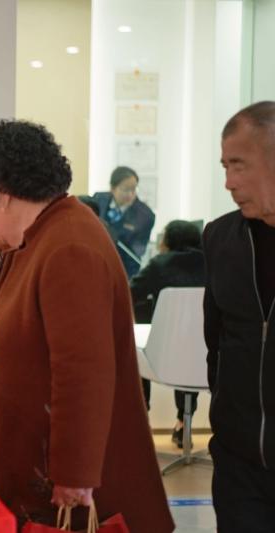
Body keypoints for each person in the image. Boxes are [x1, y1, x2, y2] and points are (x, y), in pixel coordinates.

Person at [0, 119, 173, 531]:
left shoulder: (70, 246)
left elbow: (83, 370)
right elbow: (3, 348)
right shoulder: (33, 240)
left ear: (2, 195)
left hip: (70, 484)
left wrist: (75, 473)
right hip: (34, 464)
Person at [204, 100, 275, 531]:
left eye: (239, 165)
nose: (229, 181)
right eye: (224, 166)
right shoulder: (220, 238)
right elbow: (216, 343)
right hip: (239, 466)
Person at [130, 220, 204, 448]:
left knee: (136, 350)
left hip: (164, 357)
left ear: (169, 241)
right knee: (191, 350)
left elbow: (130, 292)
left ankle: (142, 420)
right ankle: (183, 422)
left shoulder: (160, 264)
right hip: (205, 359)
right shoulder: (213, 263)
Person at [93, 166, 155, 277]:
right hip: (96, 262)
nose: (130, 195)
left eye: (134, 189)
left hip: (124, 269)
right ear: (112, 188)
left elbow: (136, 253)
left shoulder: (145, 216)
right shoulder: (98, 200)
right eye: (126, 190)